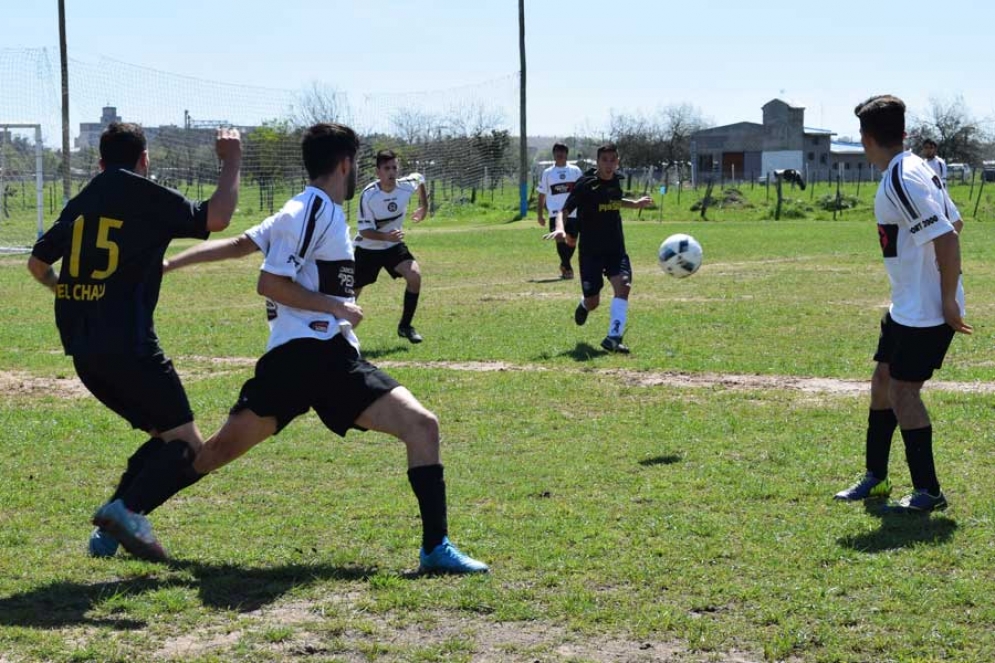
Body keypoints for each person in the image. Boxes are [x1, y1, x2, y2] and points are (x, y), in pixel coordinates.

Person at [156, 124, 488, 574]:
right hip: (302, 356)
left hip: (327, 356)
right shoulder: (312, 210)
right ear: (346, 164)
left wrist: (172, 263)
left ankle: (435, 547)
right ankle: (128, 508)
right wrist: (336, 306)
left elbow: (238, 245)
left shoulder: (304, 209)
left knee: (422, 426)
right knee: (216, 452)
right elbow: (269, 282)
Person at [26, 122, 242, 560]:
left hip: (85, 352)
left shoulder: (84, 198)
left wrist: (66, 291)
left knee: (165, 436)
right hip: (130, 345)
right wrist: (232, 159)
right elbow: (216, 217)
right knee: (187, 447)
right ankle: (126, 509)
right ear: (143, 160)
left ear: (100, 163)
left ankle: (108, 531)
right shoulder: (143, 193)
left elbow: (36, 263)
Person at [834, 95, 971, 513]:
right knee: (882, 382)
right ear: (904, 133)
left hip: (926, 311)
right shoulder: (918, 168)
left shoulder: (902, 178)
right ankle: (876, 477)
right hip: (907, 305)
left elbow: (948, 236)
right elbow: (956, 220)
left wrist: (946, 299)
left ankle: (928, 490)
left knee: (903, 392)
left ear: (866, 139)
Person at [544, 143, 652, 354]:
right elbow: (563, 211)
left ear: (617, 162)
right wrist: (560, 229)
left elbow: (615, 201)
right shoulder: (586, 184)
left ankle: (614, 337)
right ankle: (584, 305)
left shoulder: (616, 181)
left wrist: (636, 203)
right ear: (598, 161)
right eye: (605, 160)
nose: (609, 164)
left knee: (624, 284)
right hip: (591, 251)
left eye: (613, 160)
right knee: (594, 301)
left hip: (615, 247)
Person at [353, 149, 429, 343]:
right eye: (387, 168)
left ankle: (405, 326)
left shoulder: (405, 186)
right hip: (368, 248)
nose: (392, 172)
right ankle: (336, 335)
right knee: (352, 294)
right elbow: (364, 231)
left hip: (393, 247)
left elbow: (420, 178)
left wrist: (424, 207)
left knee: (415, 276)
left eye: (395, 167)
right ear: (378, 171)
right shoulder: (368, 196)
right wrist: (386, 235)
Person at [536, 143, 583, 279]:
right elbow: (542, 194)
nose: (560, 154)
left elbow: (581, 191)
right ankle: (567, 268)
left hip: (573, 212)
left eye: (562, 151)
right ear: (554, 154)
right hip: (555, 213)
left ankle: (564, 264)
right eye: (557, 151)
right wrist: (540, 215)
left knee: (572, 240)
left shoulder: (575, 171)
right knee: (559, 237)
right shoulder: (548, 173)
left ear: (566, 154)